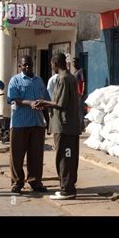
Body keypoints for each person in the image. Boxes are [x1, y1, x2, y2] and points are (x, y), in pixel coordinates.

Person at [37, 53, 81, 200]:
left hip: (64, 126)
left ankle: (67, 189)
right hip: (69, 126)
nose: (51, 66)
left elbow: (60, 103)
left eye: (52, 64)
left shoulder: (63, 79)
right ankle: (68, 187)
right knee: (69, 157)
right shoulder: (70, 77)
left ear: (56, 64)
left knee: (64, 157)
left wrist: (44, 102)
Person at [7, 55, 50, 194]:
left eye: (29, 64)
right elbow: (14, 99)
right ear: (20, 65)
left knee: (36, 156)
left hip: (37, 124)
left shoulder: (39, 81)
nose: (27, 67)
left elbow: (46, 101)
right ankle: (17, 182)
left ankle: (35, 181)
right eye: (24, 65)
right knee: (17, 156)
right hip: (20, 123)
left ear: (33, 64)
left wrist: (47, 121)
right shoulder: (15, 80)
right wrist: (30, 103)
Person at [72, 57, 85, 131]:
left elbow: (83, 81)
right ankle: (80, 125)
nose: (73, 63)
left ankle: (80, 126)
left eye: (74, 62)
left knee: (80, 110)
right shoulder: (75, 72)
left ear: (77, 62)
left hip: (79, 93)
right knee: (76, 110)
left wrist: (83, 91)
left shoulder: (81, 71)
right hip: (75, 93)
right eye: (73, 62)